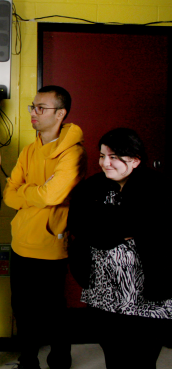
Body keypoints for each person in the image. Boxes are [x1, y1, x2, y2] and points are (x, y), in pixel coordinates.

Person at [68, 128, 172, 369]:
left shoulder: (159, 187)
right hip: (104, 289)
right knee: (113, 355)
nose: (105, 163)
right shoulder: (92, 187)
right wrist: (121, 229)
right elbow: (78, 224)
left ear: (135, 160)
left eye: (114, 157)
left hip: (148, 290)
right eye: (102, 156)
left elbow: (150, 225)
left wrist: (106, 224)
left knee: (142, 358)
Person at [3, 85, 86, 369]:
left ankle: (60, 360)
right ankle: (28, 361)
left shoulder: (73, 153)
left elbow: (52, 196)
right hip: (21, 241)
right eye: (32, 107)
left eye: (41, 108)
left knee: (53, 311)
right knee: (22, 309)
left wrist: (28, 192)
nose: (33, 113)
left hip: (51, 245)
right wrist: (34, 193)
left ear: (60, 114)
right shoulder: (29, 150)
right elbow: (9, 194)